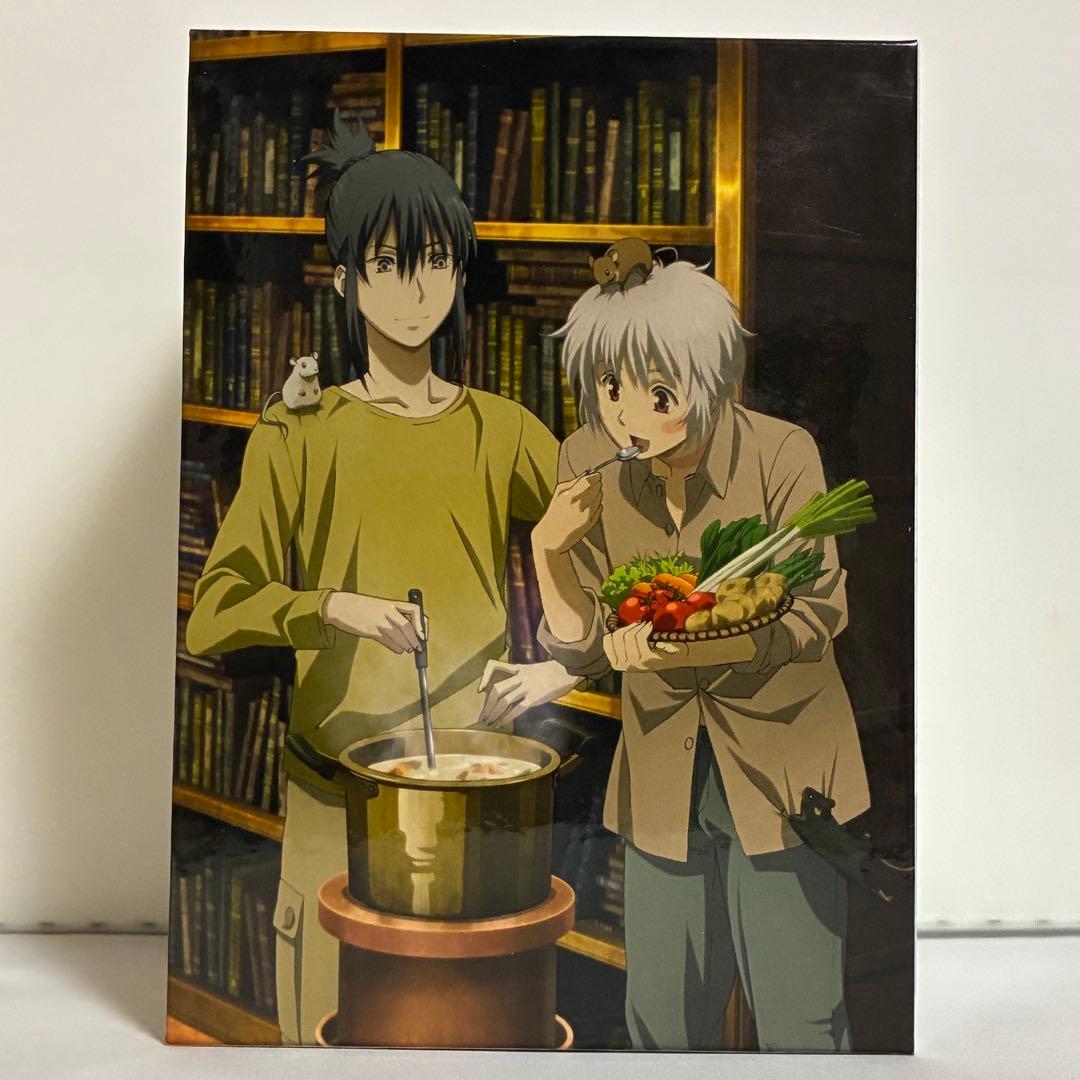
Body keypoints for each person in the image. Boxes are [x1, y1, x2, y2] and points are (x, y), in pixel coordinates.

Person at [185, 113, 579, 1045]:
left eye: (435, 260)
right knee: (331, 1036)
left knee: (484, 1039)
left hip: (484, 812)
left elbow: (607, 558)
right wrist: (334, 608)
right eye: (391, 263)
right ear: (346, 278)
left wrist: (563, 660)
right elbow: (215, 615)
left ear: (459, 271)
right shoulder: (298, 435)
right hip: (338, 808)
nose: (416, 287)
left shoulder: (505, 430)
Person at [531, 257, 871, 1051]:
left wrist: (693, 648)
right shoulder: (585, 461)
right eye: (609, 388)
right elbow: (581, 646)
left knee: (801, 1026)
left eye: (659, 393)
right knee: (663, 1026)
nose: (629, 417)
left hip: (787, 784)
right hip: (662, 785)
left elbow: (820, 612)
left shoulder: (781, 452)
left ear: (710, 376)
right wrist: (550, 553)